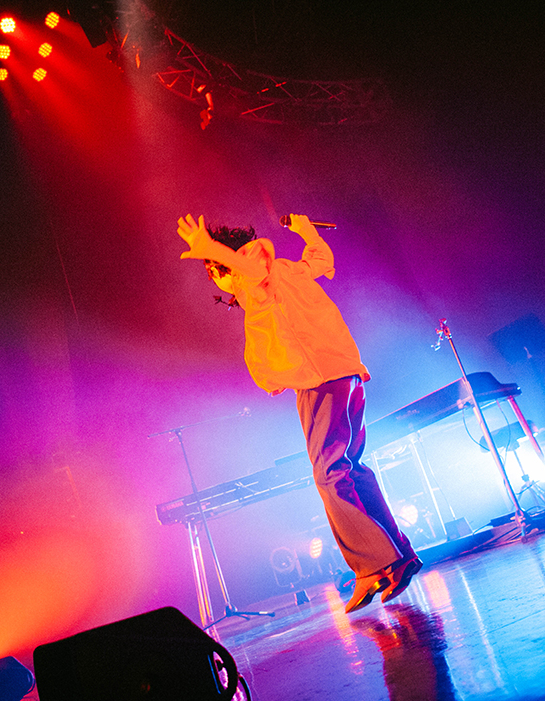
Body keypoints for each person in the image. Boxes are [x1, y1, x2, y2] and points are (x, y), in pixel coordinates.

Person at [176, 212, 423, 612]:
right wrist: (306, 229)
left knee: (329, 474)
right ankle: (399, 556)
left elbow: (254, 266)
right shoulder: (289, 272)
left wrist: (211, 249)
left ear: (223, 267)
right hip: (345, 376)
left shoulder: (256, 274)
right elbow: (321, 260)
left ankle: (374, 566)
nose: (218, 282)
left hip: (319, 379)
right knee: (351, 469)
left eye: (214, 273)